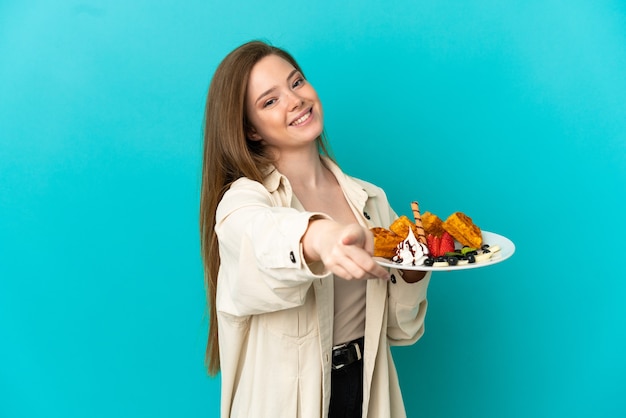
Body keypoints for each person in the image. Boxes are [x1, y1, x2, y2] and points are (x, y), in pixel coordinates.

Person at [199, 40, 431, 418]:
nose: (295, 100)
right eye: (269, 101)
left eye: (296, 82)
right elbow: (261, 236)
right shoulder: (242, 203)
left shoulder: (370, 201)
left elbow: (400, 331)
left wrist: (411, 273)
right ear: (251, 131)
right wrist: (318, 238)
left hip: (366, 391)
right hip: (283, 400)